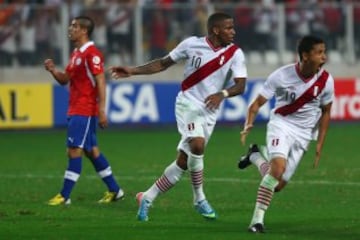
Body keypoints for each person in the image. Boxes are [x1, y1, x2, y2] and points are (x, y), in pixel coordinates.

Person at [110, 12, 247, 221]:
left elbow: (241, 85)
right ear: (216, 30)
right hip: (187, 103)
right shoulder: (191, 44)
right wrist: (132, 70)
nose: (233, 31)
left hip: (209, 110)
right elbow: (162, 63)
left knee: (183, 161)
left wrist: (223, 93)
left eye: (233, 27)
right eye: (229, 28)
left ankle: (147, 196)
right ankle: (199, 199)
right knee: (198, 146)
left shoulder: (236, 54)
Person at [238, 35, 334, 233]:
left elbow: (326, 112)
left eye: (324, 52)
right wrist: (248, 124)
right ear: (305, 55)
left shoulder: (326, 81)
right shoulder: (281, 76)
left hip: (304, 134)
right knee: (278, 168)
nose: (324, 57)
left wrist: (319, 145)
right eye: (319, 53)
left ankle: (255, 155)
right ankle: (256, 221)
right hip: (281, 125)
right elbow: (256, 104)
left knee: (278, 184)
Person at [44, 16, 124, 206]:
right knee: (91, 151)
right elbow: (65, 79)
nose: (70, 28)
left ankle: (64, 196)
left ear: (84, 31)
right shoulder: (76, 54)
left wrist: (102, 110)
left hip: (85, 109)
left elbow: (101, 81)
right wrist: (53, 70)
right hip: (75, 108)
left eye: (74, 26)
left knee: (73, 150)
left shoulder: (92, 54)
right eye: (71, 25)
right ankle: (115, 190)